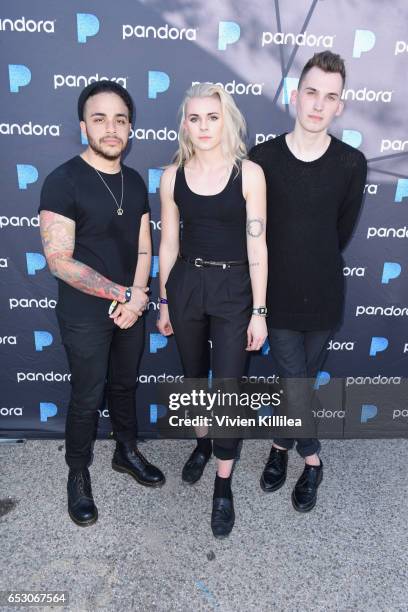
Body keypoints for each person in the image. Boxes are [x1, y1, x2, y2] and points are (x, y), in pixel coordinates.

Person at [39, 81, 165, 527]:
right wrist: (123, 295)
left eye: (120, 119)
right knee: (87, 396)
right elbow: (59, 261)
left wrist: (137, 297)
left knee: (126, 385)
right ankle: (78, 474)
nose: (111, 129)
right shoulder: (63, 180)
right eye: (100, 118)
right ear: (83, 126)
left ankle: (126, 453)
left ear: (130, 127)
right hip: (85, 314)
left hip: (130, 307)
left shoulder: (134, 181)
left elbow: (145, 247)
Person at [249, 51, 367, 512]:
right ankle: (312, 458)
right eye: (312, 92)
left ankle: (279, 446)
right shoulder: (262, 158)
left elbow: (339, 232)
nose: (319, 104)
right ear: (295, 96)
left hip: (322, 297)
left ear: (341, 106)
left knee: (293, 381)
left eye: (330, 97)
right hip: (274, 297)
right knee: (294, 379)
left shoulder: (352, 163)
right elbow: (253, 232)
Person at [157, 83, 267, 538]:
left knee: (226, 385)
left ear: (228, 120)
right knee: (192, 376)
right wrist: (164, 298)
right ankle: (202, 445)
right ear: (185, 123)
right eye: (195, 118)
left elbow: (257, 240)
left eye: (213, 116)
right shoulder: (172, 175)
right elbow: (168, 241)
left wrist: (259, 310)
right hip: (185, 283)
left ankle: (223, 484)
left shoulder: (250, 173)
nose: (203, 126)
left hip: (233, 287)